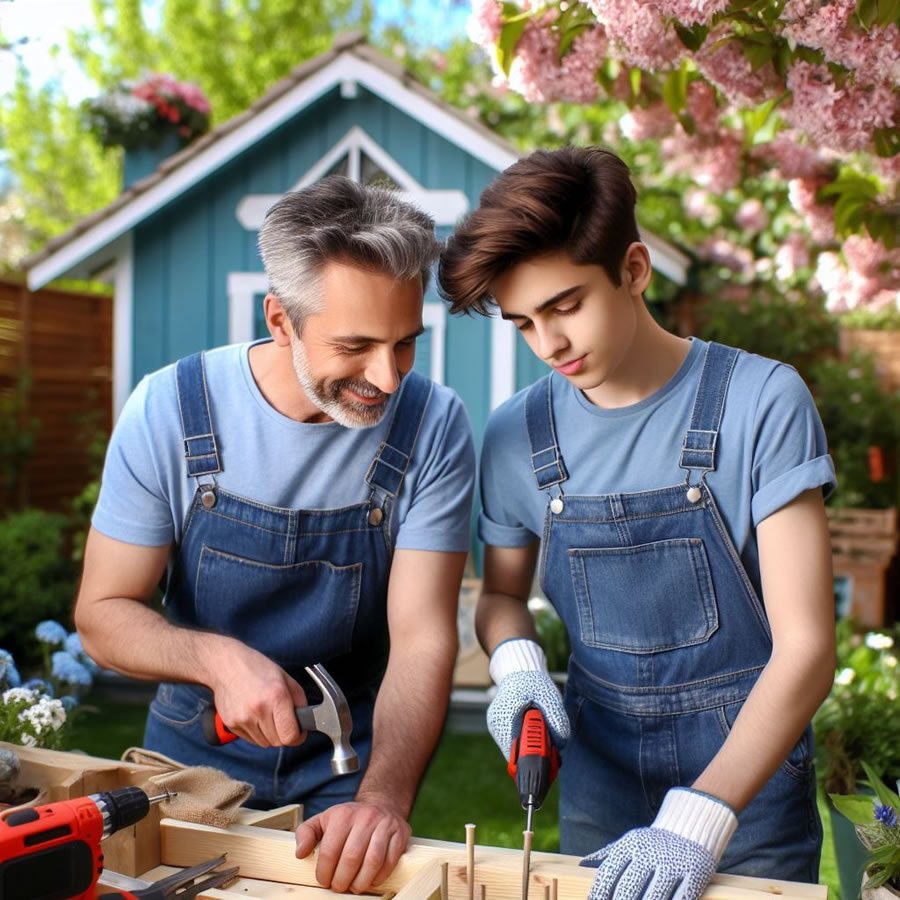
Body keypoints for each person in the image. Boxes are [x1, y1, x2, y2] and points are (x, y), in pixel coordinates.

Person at [438, 146, 836, 900]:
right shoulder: (517, 436)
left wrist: (703, 813)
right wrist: (517, 666)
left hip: (747, 795)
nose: (549, 345)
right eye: (524, 323)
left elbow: (809, 647)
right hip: (602, 790)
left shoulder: (762, 403)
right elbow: (500, 599)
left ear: (634, 269)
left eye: (565, 306)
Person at [75, 176, 475, 894]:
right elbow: (101, 617)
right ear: (281, 321)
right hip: (189, 765)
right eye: (355, 346)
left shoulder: (434, 425)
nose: (386, 378)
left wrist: (382, 798)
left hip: (350, 775)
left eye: (405, 344)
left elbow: (423, 638)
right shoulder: (170, 409)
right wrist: (218, 660)